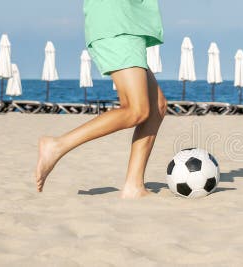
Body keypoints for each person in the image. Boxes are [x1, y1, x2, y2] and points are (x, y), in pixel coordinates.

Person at [35, 0, 167, 198]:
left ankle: (134, 185)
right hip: (116, 23)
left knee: (157, 106)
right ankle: (57, 145)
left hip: (128, 23)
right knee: (135, 110)